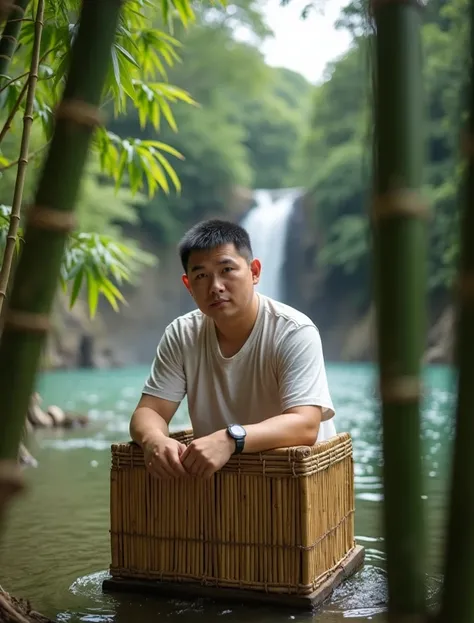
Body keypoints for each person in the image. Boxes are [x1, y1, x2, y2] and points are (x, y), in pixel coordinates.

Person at [129, 219, 336, 480]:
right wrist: (154, 440)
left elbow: (305, 425)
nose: (215, 286)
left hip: (301, 481)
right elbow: (150, 411)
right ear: (188, 285)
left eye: (227, 269)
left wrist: (231, 439)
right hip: (222, 484)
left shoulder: (294, 331)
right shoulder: (182, 334)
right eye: (201, 275)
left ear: (255, 271)